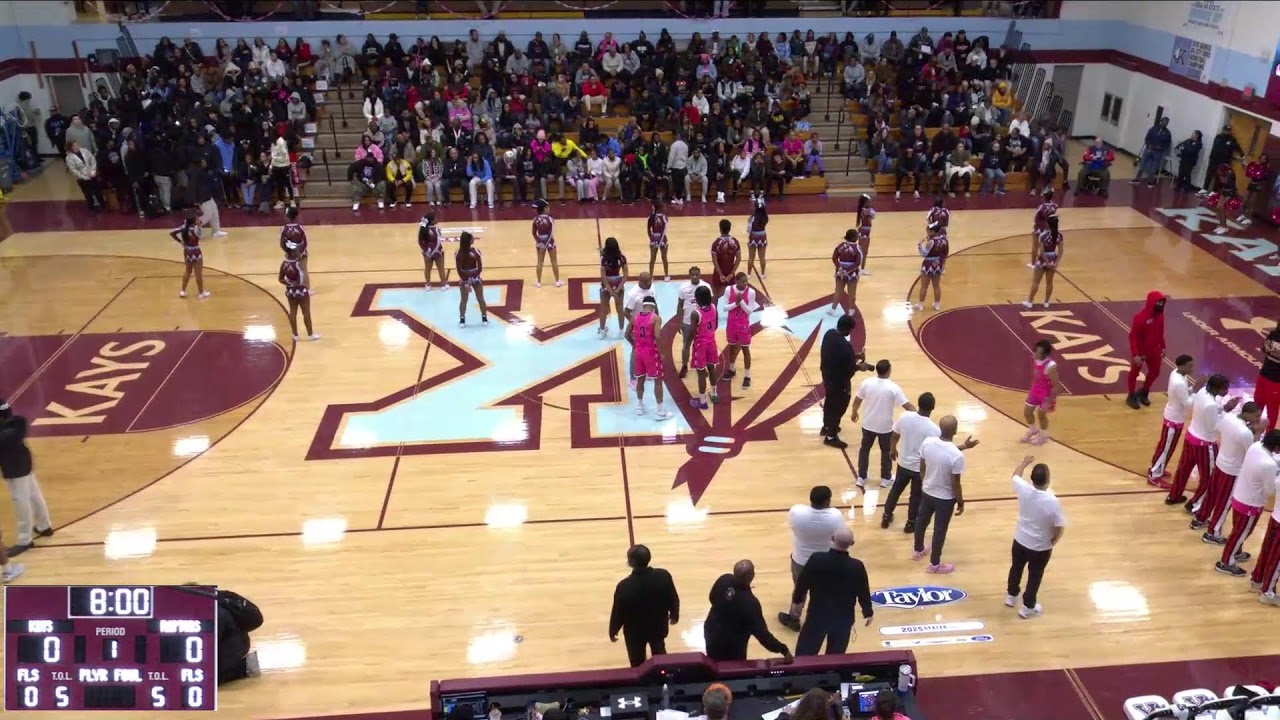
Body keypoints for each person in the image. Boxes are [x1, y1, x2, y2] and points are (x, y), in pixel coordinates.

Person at [883, 392, 981, 531]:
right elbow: (944, 449)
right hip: (919, 469)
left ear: (918, 403)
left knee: (895, 490)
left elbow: (895, 435)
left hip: (903, 463)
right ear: (933, 407)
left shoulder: (905, 416)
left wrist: (892, 450)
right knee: (915, 496)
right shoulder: (933, 429)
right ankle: (910, 523)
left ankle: (886, 516)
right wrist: (964, 446)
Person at [790, 527, 873, 655]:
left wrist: (797, 601)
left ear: (832, 539)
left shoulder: (817, 559)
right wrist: (868, 612)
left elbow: (802, 583)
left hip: (817, 616)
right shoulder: (856, 566)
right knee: (836, 657)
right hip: (843, 620)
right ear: (852, 543)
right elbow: (863, 591)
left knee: (805, 654)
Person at [1167, 374, 1242, 508]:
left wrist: (1224, 408)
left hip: (1191, 437)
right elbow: (1215, 427)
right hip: (1205, 444)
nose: (1227, 392)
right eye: (1225, 389)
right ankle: (1196, 504)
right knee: (1209, 477)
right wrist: (1228, 413)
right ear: (1218, 388)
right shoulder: (1211, 405)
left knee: (1183, 469)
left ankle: (1174, 495)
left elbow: (1208, 412)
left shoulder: (1202, 392)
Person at [1005, 455, 1066, 619]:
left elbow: (1015, 475)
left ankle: (1011, 596)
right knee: (1034, 576)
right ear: (1047, 481)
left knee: (1016, 568)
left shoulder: (1023, 489)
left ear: (1032, 479)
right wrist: (1054, 540)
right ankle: (1028, 607)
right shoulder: (1052, 501)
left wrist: (1024, 462)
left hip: (1019, 540)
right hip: (1039, 547)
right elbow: (1059, 526)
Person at [778, 486, 846, 631]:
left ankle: (794, 619)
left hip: (800, 561)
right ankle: (820, 620)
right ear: (828, 500)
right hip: (825, 562)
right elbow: (840, 537)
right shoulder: (836, 517)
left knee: (799, 591)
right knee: (823, 592)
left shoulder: (797, 512)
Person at [1193, 402, 1260, 542]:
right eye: (1256, 416)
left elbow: (1232, 433)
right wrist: (1258, 433)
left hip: (1220, 463)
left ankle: (1200, 518)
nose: (1258, 420)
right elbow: (1253, 452)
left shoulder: (1229, 418)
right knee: (1224, 503)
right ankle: (1213, 533)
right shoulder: (1245, 432)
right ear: (1247, 414)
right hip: (1233, 471)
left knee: (1211, 495)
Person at [1216, 431, 1280, 578]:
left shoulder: (1256, 446)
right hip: (1251, 504)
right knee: (1241, 533)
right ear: (1276, 447)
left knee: (1237, 531)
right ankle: (1226, 562)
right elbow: (1270, 490)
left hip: (1239, 495)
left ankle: (1236, 552)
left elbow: (1269, 462)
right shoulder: (1269, 465)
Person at [702, 560, 792, 662]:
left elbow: (712, 598)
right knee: (732, 670)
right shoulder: (751, 604)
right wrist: (783, 650)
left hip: (711, 632)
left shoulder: (724, 579)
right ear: (751, 576)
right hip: (732, 645)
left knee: (713, 662)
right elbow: (763, 636)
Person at [608, 544, 680, 667]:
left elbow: (618, 612)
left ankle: (641, 685)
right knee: (660, 654)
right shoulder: (663, 576)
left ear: (631, 562)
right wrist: (674, 614)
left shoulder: (624, 586)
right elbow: (673, 598)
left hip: (634, 631)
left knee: (637, 661)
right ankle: (663, 680)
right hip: (658, 626)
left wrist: (613, 629)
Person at [914, 415, 968, 574]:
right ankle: (935, 564)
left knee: (921, 521)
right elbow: (955, 483)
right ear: (955, 430)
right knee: (939, 530)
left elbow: (922, 466)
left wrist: (925, 481)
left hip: (927, 491)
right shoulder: (957, 456)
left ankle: (918, 550)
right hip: (945, 499)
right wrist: (960, 501)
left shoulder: (927, 442)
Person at [851, 360, 915, 489]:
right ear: (888, 370)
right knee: (886, 452)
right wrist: (919, 415)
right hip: (885, 427)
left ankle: (861, 477)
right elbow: (906, 405)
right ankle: (885, 478)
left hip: (868, 424)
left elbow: (857, 399)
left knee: (864, 450)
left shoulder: (867, 383)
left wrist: (854, 412)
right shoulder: (893, 387)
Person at [1, 400, 52, 558]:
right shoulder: (20, 422)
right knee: (34, 495)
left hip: (14, 468)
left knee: (20, 500)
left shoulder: (6, 433)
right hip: (25, 464)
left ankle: (24, 540)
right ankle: (44, 526)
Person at [820, 314, 872, 449]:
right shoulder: (845, 346)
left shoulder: (829, 334)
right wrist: (860, 367)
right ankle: (830, 437)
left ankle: (826, 426)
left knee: (829, 402)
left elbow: (837, 356)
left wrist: (854, 356)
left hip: (827, 377)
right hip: (839, 382)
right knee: (838, 407)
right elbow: (849, 370)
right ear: (848, 329)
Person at [1148, 355, 1200, 485]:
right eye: (1190, 365)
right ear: (1182, 366)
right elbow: (1187, 404)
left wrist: (1193, 389)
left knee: (1166, 446)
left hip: (1173, 415)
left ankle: (1158, 467)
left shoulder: (1177, 374)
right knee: (1166, 447)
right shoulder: (1179, 382)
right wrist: (1196, 390)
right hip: (1174, 419)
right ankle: (1154, 475)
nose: (1192, 368)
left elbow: (1182, 394)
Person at [627, 295, 670, 419]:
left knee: (640, 379)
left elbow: (627, 334)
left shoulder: (635, 317)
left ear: (643, 305)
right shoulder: (655, 318)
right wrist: (661, 352)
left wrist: (634, 345)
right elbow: (657, 336)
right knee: (658, 380)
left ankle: (639, 406)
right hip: (651, 352)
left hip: (638, 352)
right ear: (654, 306)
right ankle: (661, 411)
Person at [1126, 291, 1168, 409]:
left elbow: (1160, 333)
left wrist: (1163, 346)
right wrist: (1135, 354)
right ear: (1151, 302)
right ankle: (1131, 395)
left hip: (1154, 350)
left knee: (1155, 372)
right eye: (1158, 302)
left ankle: (1144, 391)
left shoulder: (1160, 316)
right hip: (1140, 352)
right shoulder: (1140, 318)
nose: (1160, 304)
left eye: (1161, 302)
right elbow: (1132, 336)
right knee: (1134, 373)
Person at [1021, 340, 1062, 446]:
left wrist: (1049, 401)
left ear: (1046, 354)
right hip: (1035, 389)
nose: (1036, 354)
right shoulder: (1035, 358)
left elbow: (1056, 386)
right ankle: (1033, 430)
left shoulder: (1051, 366)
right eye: (1036, 351)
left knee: (1041, 415)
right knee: (1027, 412)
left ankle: (1043, 435)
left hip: (1046, 393)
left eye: (1039, 352)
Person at [675, 267, 711, 379]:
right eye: (693, 275)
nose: (695, 276)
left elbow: (710, 304)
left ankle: (702, 366)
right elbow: (680, 304)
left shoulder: (706, 286)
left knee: (702, 346)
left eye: (697, 274)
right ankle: (684, 366)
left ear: (700, 275)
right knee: (686, 345)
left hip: (702, 322)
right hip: (687, 322)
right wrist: (679, 322)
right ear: (689, 275)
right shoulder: (683, 287)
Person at [723, 272, 758, 389]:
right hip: (731, 323)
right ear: (736, 281)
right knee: (732, 347)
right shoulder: (729, 290)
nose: (745, 283)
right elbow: (724, 308)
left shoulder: (751, 292)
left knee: (745, 349)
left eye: (746, 281)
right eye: (743, 281)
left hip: (743, 324)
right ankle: (731, 369)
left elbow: (749, 311)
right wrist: (736, 303)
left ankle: (747, 376)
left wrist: (741, 302)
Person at [689, 285, 721, 410]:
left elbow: (692, 332)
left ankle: (702, 401)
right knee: (711, 369)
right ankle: (714, 394)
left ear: (697, 298)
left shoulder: (695, 314)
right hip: (711, 342)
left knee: (701, 373)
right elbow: (716, 324)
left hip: (700, 345)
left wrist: (690, 341)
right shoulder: (713, 307)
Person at [280, 241, 318, 341]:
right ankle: (310, 335)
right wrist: (297, 285)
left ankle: (295, 335)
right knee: (306, 312)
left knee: (293, 312)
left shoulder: (284, 264)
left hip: (290, 292)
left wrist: (289, 284)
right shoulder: (298, 264)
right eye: (297, 251)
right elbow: (302, 279)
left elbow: (280, 279)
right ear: (292, 253)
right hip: (301, 291)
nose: (299, 252)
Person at [1023, 214, 1063, 309]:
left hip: (1042, 260)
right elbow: (1061, 250)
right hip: (1053, 258)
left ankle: (1030, 301)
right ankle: (1046, 302)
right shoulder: (1059, 235)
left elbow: (1041, 251)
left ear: (1048, 224)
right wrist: (1056, 262)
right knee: (1049, 282)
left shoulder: (1043, 235)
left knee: (1036, 282)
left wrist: (1046, 262)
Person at [170, 213, 211, 299]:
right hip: (195, 251)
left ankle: (183, 290)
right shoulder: (197, 229)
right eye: (196, 219)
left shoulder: (184, 227)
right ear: (193, 222)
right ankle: (201, 292)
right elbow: (201, 235)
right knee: (198, 273)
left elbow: (172, 233)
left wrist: (180, 242)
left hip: (187, 251)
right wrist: (200, 224)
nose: (198, 219)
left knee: (187, 271)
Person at [597, 236, 629, 338]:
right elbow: (625, 275)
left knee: (604, 308)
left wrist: (610, 290)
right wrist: (618, 289)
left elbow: (603, 276)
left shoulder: (604, 258)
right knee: (620, 308)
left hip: (607, 284)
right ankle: (621, 332)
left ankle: (602, 331)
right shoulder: (622, 258)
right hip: (618, 283)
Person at [828, 229, 864, 317]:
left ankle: (833, 309)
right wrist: (848, 271)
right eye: (857, 236)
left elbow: (834, 257)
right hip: (852, 273)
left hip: (840, 272)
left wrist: (840, 267)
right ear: (853, 237)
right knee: (852, 293)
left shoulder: (840, 246)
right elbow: (858, 262)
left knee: (838, 291)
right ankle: (851, 310)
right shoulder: (857, 248)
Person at [913, 221, 948, 312]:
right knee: (936, 286)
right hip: (938, 264)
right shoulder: (944, 240)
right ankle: (937, 304)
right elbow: (945, 253)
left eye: (928, 231)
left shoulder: (931, 242)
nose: (927, 233)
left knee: (924, 286)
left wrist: (920, 245)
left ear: (933, 231)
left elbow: (924, 254)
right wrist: (943, 264)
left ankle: (920, 304)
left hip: (928, 265)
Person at [456, 231, 489, 326]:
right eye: (472, 238)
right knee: (464, 300)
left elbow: (480, 268)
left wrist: (471, 278)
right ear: (469, 240)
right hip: (467, 279)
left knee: (479, 298)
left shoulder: (474, 252)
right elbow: (459, 269)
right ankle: (462, 319)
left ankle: (484, 317)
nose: (474, 239)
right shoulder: (460, 253)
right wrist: (467, 280)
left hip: (474, 279)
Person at [65, 139, 106, 211]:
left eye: (77, 145)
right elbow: (73, 170)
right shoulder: (69, 158)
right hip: (82, 179)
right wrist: (84, 177)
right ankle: (91, 208)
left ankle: (103, 205)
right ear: (70, 147)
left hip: (92, 175)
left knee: (98, 191)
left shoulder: (85, 151)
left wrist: (93, 171)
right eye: (74, 146)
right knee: (88, 194)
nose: (76, 147)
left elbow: (92, 160)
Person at [531, 199, 562, 288]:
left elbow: (533, 233)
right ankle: (557, 281)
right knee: (554, 262)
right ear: (544, 208)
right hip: (550, 243)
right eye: (548, 207)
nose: (549, 208)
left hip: (540, 242)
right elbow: (550, 233)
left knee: (540, 262)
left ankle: (539, 282)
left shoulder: (535, 219)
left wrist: (539, 242)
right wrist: (546, 243)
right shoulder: (550, 219)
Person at [1254, 324, 1280, 431]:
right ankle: (1252, 429)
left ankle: (1269, 437)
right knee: (1257, 404)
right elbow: (1264, 348)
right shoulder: (1274, 334)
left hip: (1276, 380)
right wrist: (1274, 350)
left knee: (1272, 410)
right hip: (1264, 375)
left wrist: (1272, 349)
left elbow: (1270, 349)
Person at [710, 219, 741, 298]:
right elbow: (738, 259)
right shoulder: (735, 242)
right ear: (730, 229)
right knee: (731, 296)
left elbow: (715, 261)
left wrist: (720, 275)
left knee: (716, 296)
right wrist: (731, 274)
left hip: (718, 274)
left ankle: (715, 310)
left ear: (720, 229)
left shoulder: (716, 243)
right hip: (730, 272)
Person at [1029, 188, 1057, 268]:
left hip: (1039, 228)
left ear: (1044, 197)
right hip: (1049, 228)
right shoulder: (1055, 206)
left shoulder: (1041, 207)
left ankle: (1033, 264)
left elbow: (1035, 218)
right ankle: (1046, 262)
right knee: (1046, 247)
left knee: (1035, 246)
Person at [419, 212, 447, 290]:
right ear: (431, 221)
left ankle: (428, 285)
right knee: (441, 269)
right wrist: (433, 252)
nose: (437, 219)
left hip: (427, 253)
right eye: (436, 218)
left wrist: (426, 251)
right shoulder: (437, 230)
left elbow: (420, 242)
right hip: (437, 252)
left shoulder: (422, 229)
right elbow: (438, 242)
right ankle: (443, 285)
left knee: (427, 269)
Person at [746, 196, 769, 278]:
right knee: (762, 257)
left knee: (751, 257)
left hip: (753, 237)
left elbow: (748, 230)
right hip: (762, 236)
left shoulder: (752, 218)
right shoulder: (765, 217)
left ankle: (748, 274)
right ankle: (762, 274)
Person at [647, 199, 670, 280]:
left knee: (664, 257)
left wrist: (659, 242)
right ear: (660, 207)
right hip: (655, 238)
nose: (665, 207)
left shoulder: (664, 217)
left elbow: (664, 230)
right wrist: (652, 239)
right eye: (664, 206)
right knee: (653, 258)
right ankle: (650, 275)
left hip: (662, 239)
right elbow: (648, 228)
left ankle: (666, 274)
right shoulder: (651, 216)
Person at [855, 194, 875, 275]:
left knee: (862, 251)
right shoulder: (865, 210)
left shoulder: (864, 210)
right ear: (865, 202)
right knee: (864, 251)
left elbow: (872, 215)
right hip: (865, 232)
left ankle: (859, 268)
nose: (870, 203)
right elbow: (873, 215)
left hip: (865, 231)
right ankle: (862, 269)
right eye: (869, 202)